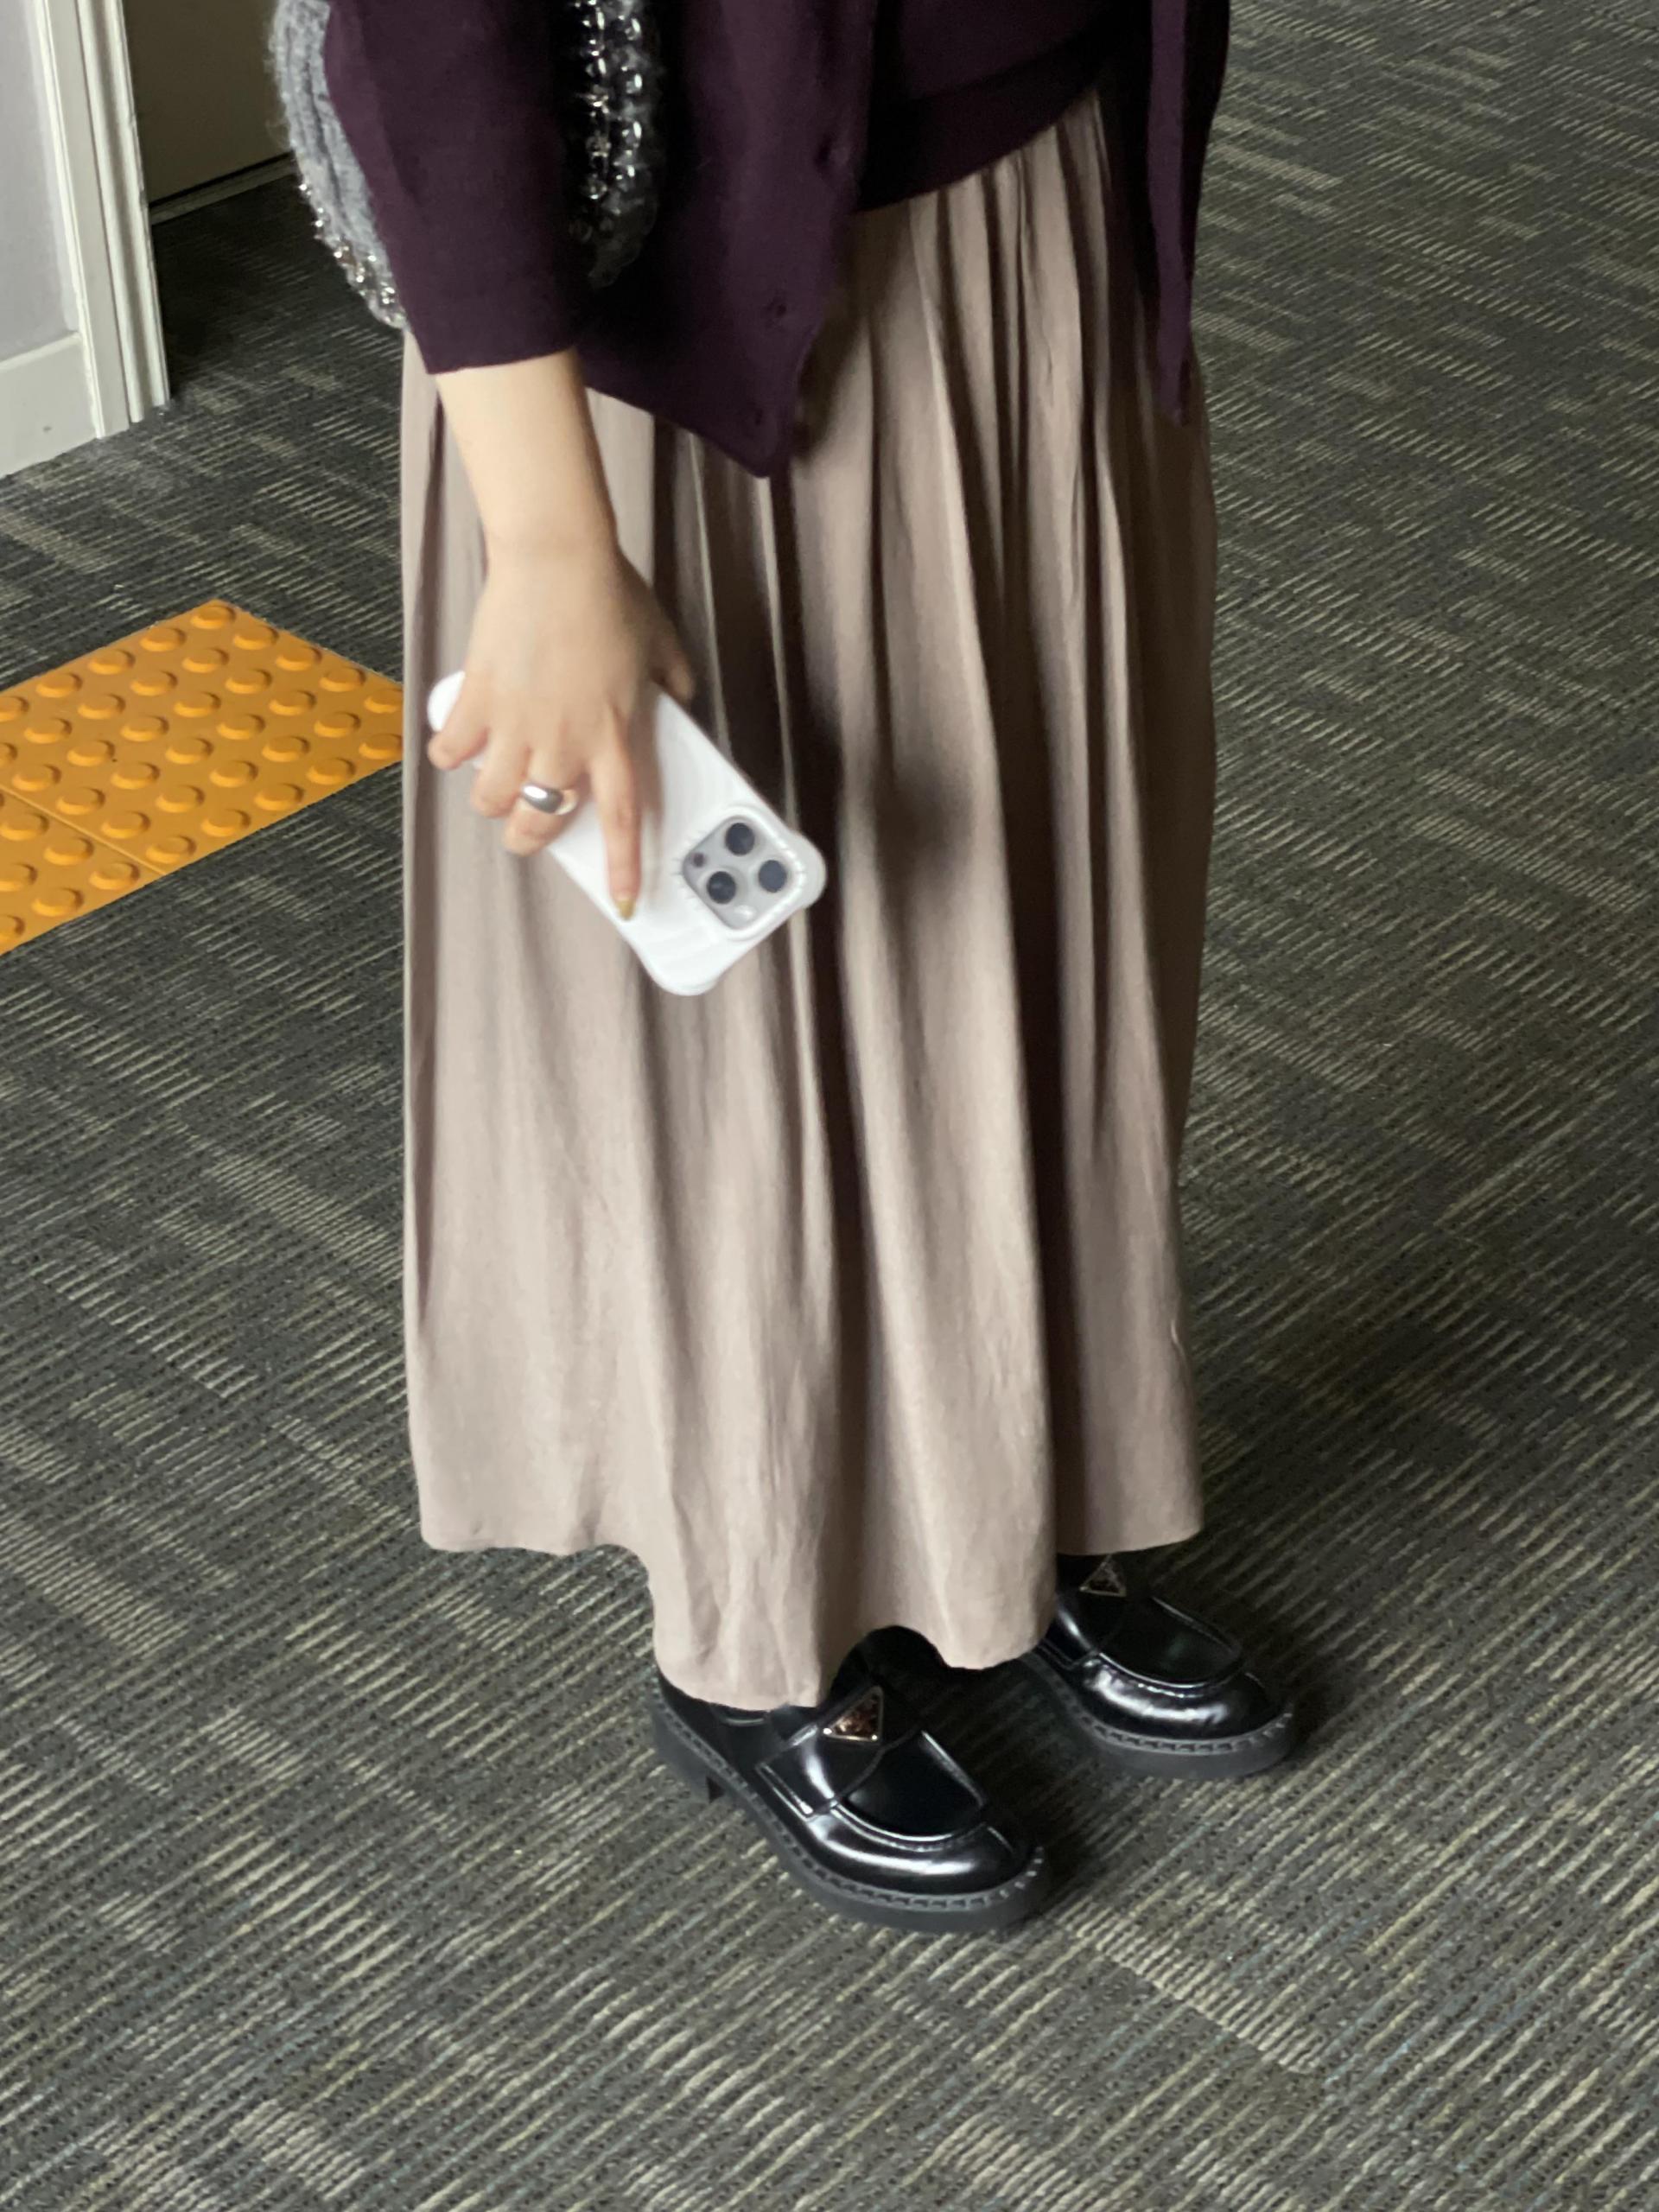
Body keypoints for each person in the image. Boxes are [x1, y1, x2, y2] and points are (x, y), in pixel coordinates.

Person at [323, 0, 1297, 1935]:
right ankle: (757, 1624)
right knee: (736, 1023)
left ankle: (1016, 1512)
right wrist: (547, 540)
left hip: (1033, 197)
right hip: (676, 310)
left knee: (1037, 922)